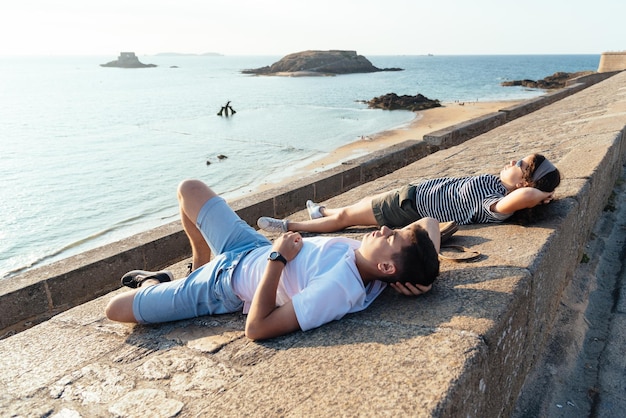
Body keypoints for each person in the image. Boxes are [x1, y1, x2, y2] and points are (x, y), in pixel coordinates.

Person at [105, 179, 441, 341]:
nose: (384, 228)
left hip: (222, 286)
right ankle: (198, 261)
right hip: (247, 246)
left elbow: (257, 328)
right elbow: (426, 225)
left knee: (116, 310)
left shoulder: (339, 290)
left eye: (391, 236)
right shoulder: (368, 262)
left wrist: (278, 259)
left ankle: (157, 281)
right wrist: (424, 278)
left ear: (386, 267)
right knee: (189, 189)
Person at [257, 153, 561, 234]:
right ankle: (321, 212)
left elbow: (526, 198)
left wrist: (540, 193)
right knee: (358, 207)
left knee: (349, 218)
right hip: (412, 194)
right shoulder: (497, 186)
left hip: (408, 208)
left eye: (519, 164)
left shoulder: (499, 204)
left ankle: (289, 226)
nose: (511, 161)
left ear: (524, 183)